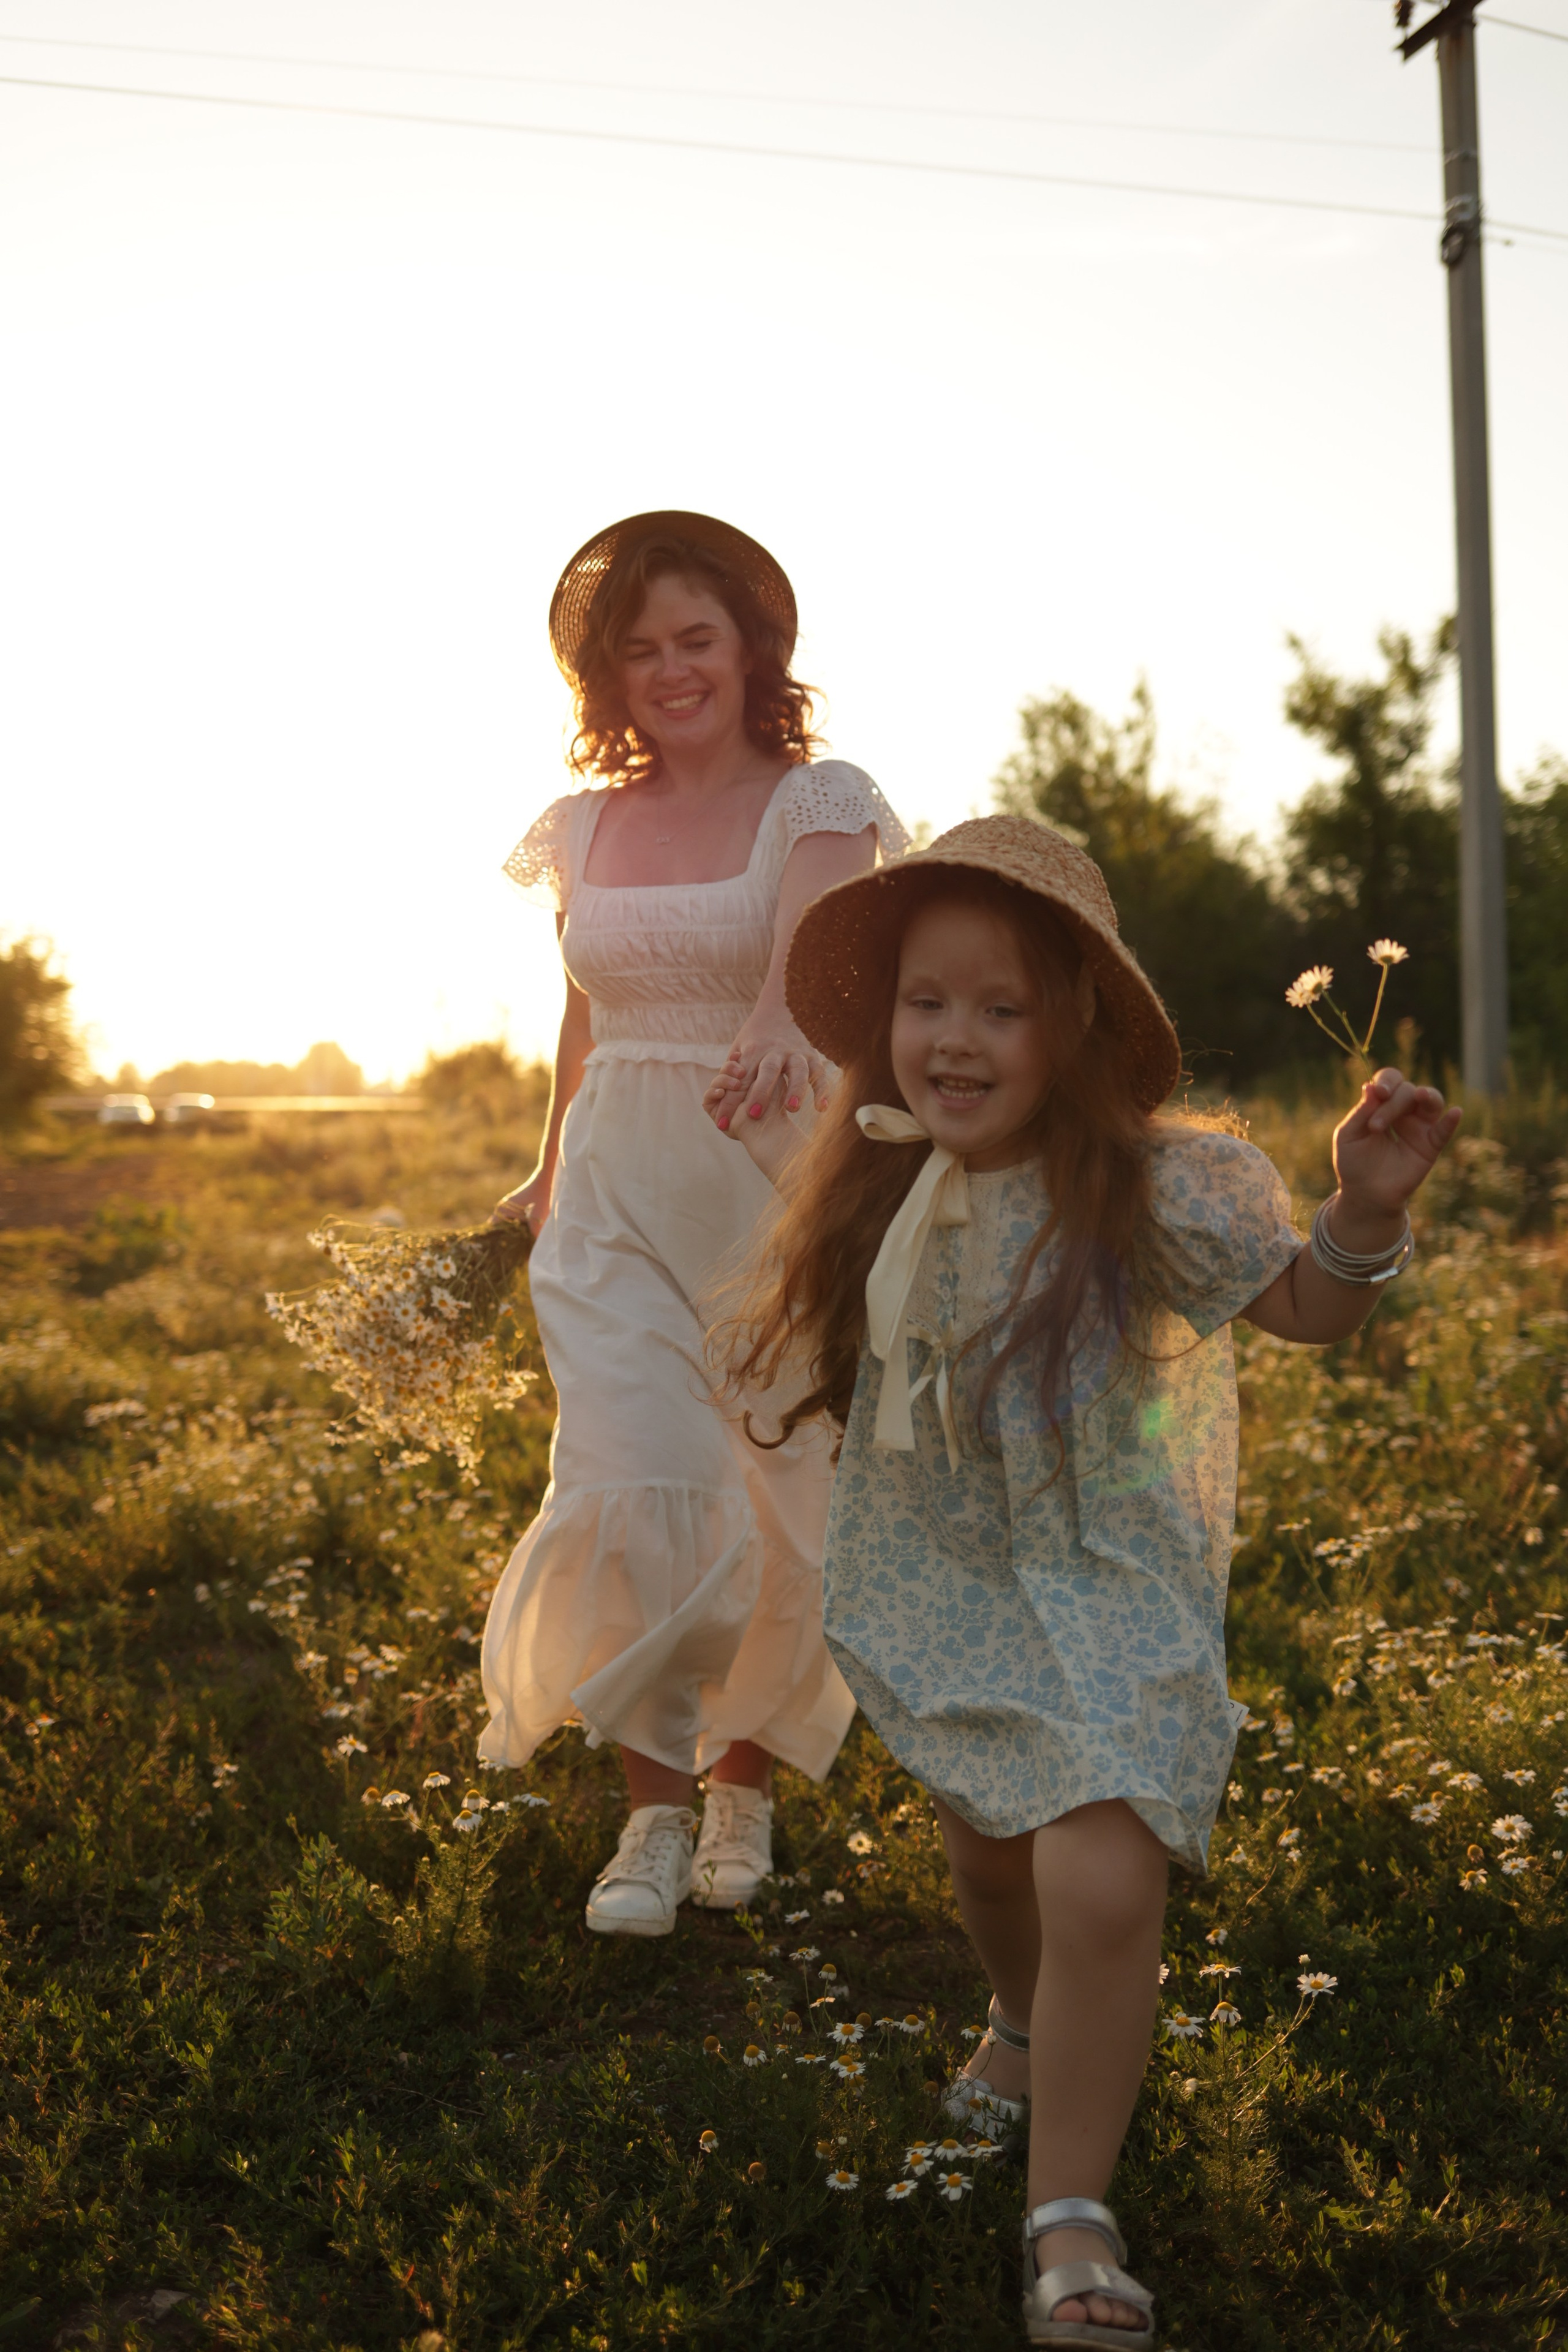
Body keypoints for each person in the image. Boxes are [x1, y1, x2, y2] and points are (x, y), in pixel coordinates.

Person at [707, 815, 1458, 2346]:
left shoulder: (1159, 1187)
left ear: (1074, 1027)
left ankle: (1069, 2216)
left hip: (1108, 1567)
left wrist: (1363, 1209)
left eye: (1001, 1008)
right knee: (990, 1852)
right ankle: (1016, 2019)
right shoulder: (874, 1178)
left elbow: (1306, 1309)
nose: (954, 1040)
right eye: (926, 1002)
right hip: (946, 1571)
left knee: (1095, 1867)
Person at [480, 510, 908, 1940]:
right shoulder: (584, 826)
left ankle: (744, 1787)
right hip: (611, 1186)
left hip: (771, 1176)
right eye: (641, 648)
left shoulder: (818, 799)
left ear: (749, 649)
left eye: (696, 638)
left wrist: (785, 1019)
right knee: (628, 1482)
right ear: (607, 675)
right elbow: (580, 1010)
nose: (671, 668)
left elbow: (818, 945)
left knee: (772, 1502)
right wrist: (544, 1169)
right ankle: (649, 1818)